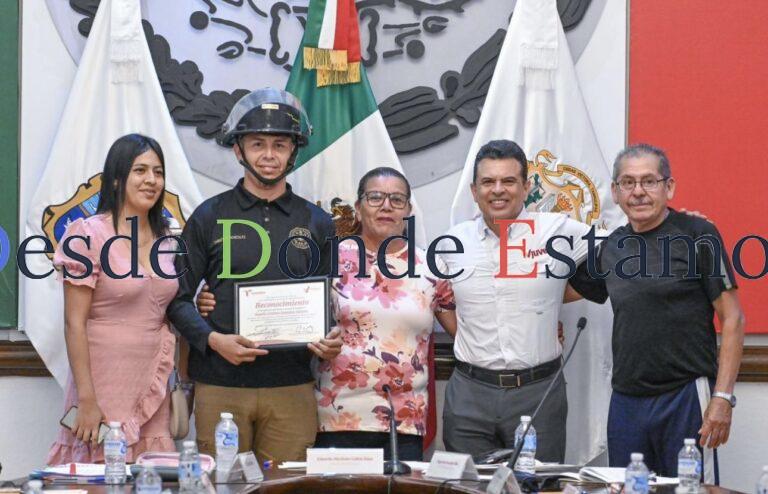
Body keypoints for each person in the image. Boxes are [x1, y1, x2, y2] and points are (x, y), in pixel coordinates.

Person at [197, 167, 457, 461]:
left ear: (408, 210)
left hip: (404, 420)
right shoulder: (327, 256)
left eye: (397, 200)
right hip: (336, 416)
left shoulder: (431, 268)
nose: (386, 206)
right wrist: (211, 299)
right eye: (375, 197)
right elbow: (281, 302)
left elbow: (461, 333)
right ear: (357, 208)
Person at [166, 88, 343, 464]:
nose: (269, 155)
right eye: (258, 143)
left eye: (279, 144)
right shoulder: (207, 217)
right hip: (219, 383)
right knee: (221, 487)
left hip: (292, 385)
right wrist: (213, 340)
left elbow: (328, 303)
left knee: (288, 490)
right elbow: (177, 299)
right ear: (238, 150)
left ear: (294, 151)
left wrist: (330, 338)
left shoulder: (318, 223)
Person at [567, 143, 745, 483]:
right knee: (627, 490)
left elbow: (734, 319)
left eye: (649, 181)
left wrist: (722, 398)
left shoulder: (698, 235)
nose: (639, 192)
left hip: (684, 397)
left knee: (691, 492)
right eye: (628, 183)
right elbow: (558, 292)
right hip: (625, 402)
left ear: (669, 187)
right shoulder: (611, 247)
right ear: (615, 193)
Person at [438, 140, 597, 462]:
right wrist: (468, 338)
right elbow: (437, 299)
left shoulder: (557, 232)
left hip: (538, 392)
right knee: (467, 488)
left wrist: (552, 296)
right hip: (469, 393)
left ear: (526, 187)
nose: (498, 190)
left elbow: (624, 248)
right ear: (474, 190)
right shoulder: (452, 243)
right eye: (488, 182)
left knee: (538, 487)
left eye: (508, 181)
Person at [47, 134, 178, 463]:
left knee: (153, 476)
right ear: (117, 179)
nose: (151, 180)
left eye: (158, 172)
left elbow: (175, 306)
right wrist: (87, 399)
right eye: (140, 170)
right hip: (103, 379)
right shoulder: (88, 234)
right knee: (103, 472)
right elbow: (73, 323)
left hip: (153, 375)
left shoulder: (170, 239)